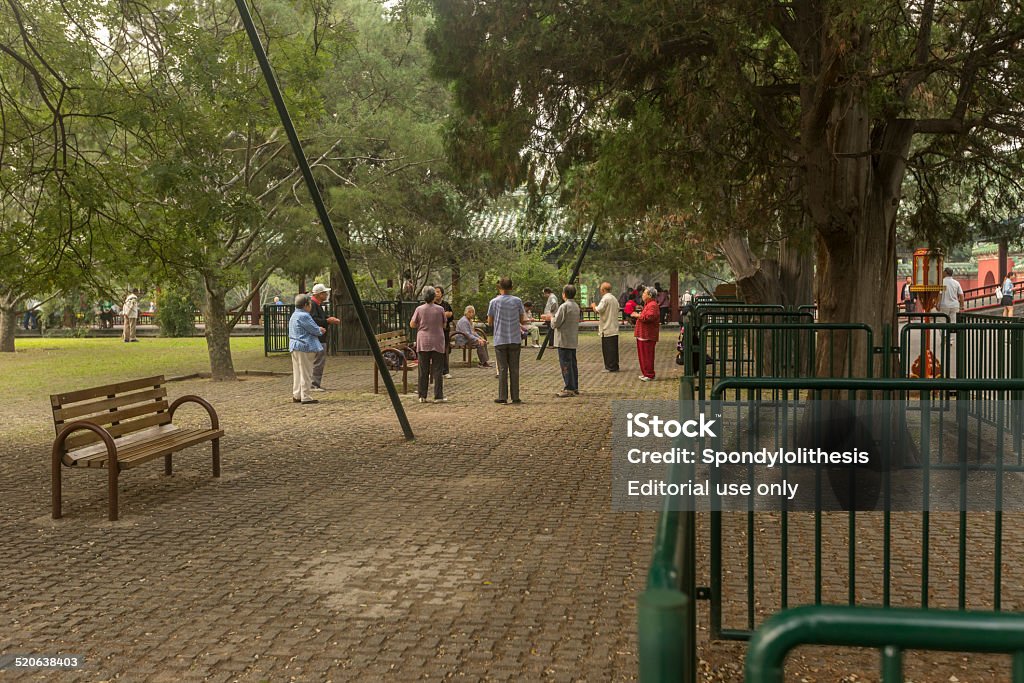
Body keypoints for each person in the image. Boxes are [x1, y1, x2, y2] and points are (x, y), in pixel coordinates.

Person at [488, 277, 528, 404]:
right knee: (514, 368)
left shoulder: (493, 302)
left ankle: (502, 396)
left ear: (499, 287)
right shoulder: (517, 301)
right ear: (511, 287)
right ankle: (515, 397)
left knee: (503, 368)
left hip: (500, 339)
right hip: (515, 338)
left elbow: (490, 322)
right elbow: (522, 319)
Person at [409, 286, 447, 403]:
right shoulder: (440, 309)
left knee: (423, 370)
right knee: (437, 370)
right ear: (433, 296)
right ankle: (438, 396)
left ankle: (422, 396)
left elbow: (412, 324)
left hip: (423, 341)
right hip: (438, 341)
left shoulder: (419, 309)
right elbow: (444, 325)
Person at [289, 293, 325, 404]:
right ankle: (306, 396)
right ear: (306, 305)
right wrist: (321, 330)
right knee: (306, 372)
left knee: (298, 371)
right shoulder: (304, 316)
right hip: (305, 346)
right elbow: (314, 329)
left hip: (295, 346)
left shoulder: (294, 315)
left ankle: (297, 394)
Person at [547, 284, 581, 397]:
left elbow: (556, 323)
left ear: (564, 294)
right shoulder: (576, 306)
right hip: (572, 338)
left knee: (565, 364)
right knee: (573, 364)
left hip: (563, 339)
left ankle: (569, 387)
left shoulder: (564, 306)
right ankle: (574, 386)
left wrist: (551, 318)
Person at [308, 283, 340, 392]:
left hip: (319, 337)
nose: (326, 295)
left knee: (318, 361)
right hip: (318, 337)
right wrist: (327, 321)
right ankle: (313, 384)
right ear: (319, 294)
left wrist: (327, 318)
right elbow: (313, 321)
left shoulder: (316, 305)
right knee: (318, 361)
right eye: (324, 293)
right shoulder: (313, 305)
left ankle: (315, 383)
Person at [632, 286, 661, 381]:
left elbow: (649, 317)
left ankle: (649, 374)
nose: (643, 295)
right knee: (643, 355)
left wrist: (638, 315)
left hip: (648, 335)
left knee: (647, 355)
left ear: (650, 295)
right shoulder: (648, 304)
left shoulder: (652, 305)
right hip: (643, 334)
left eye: (644, 293)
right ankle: (645, 373)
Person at [592, 282, 620, 372]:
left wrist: (593, 306)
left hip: (607, 327)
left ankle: (610, 366)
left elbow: (598, 310)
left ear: (603, 290)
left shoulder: (605, 299)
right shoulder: (614, 298)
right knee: (614, 349)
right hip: (614, 327)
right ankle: (614, 365)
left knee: (608, 349)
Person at [434, 285, 455, 379]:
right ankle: (434, 371)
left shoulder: (446, 304)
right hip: (434, 332)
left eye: (438, 291)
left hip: (445, 332)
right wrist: (444, 314)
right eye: (435, 291)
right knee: (435, 352)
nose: (436, 293)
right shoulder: (432, 304)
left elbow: (451, 315)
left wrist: (446, 315)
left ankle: (445, 371)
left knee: (444, 351)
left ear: (442, 294)